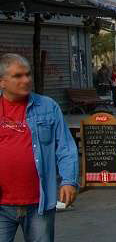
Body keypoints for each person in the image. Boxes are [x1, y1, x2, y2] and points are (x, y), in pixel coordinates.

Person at [0, 53, 77, 242]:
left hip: (39, 202)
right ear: (2, 82)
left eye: (28, 74)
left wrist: (69, 180)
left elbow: (65, 147)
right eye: (18, 76)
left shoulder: (47, 107)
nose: (26, 80)